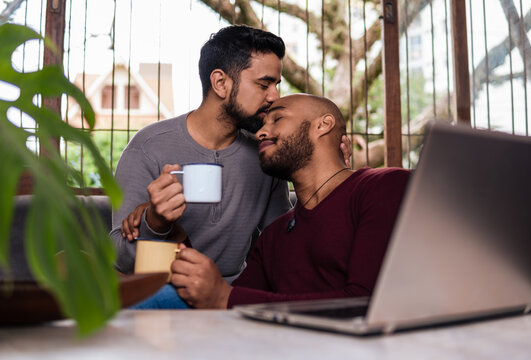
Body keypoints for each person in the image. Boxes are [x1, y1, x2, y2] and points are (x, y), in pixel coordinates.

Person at [111, 25, 352, 285]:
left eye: (276, 85)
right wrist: (154, 223)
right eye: (264, 84)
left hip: (234, 296)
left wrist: (332, 181)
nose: (274, 96)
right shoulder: (148, 148)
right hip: (161, 289)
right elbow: (121, 260)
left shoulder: (266, 154)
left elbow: (286, 246)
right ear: (220, 83)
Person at [151, 94, 410, 309]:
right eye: (263, 123)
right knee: (161, 295)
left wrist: (224, 297)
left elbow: (368, 302)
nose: (261, 132)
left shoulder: (383, 187)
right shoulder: (274, 235)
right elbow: (231, 307)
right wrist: (166, 224)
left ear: (323, 124)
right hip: (271, 348)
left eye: (277, 118)